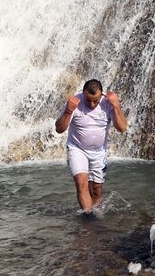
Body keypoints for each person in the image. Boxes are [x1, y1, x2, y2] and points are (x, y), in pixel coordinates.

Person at [54, 79, 127, 214]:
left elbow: (122, 128)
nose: (92, 104)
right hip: (77, 148)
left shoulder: (108, 103)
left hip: (99, 152)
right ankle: (88, 217)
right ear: (83, 93)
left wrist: (116, 105)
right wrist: (68, 111)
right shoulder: (75, 102)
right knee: (81, 183)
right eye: (88, 100)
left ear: (101, 95)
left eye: (95, 101)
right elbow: (59, 129)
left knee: (96, 190)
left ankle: (94, 214)